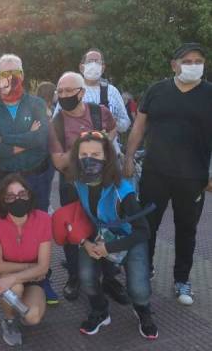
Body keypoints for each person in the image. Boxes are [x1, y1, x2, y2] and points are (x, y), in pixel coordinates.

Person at [123, 43, 212, 306]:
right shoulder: (157, 90)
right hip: (155, 173)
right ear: (174, 64)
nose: (193, 65)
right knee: (147, 226)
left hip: (193, 176)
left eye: (198, 61)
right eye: (187, 61)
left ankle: (182, 279)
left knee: (187, 230)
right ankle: (145, 268)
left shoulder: (209, 93)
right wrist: (128, 156)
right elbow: (139, 126)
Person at [66, 130, 158, 339]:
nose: (89, 159)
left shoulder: (122, 190)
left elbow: (143, 230)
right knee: (87, 277)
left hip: (130, 238)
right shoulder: (78, 183)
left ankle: (143, 310)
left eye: (96, 155)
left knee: (139, 289)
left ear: (107, 157)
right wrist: (85, 242)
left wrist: (109, 248)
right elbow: (79, 217)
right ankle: (100, 311)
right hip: (97, 238)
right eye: (83, 155)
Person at [50, 72, 129, 304]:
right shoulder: (56, 123)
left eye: (69, 91)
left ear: (81, 92)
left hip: (104, 184)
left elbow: (113, 130)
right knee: (74, 230)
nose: (63, 96)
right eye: (60, 91)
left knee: (107, 227)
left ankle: (110, 278)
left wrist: (103, 140)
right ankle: (75, 276)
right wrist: (86, 146)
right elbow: (58, 161)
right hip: (73, 185)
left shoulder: (99, 112)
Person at [0, 54, 58, 303]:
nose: (10, 78)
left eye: (15, 72)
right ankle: (17, 277)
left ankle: (42, 280)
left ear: (23, 75)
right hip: (7, 179)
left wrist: (8, 140)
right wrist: (21, 139)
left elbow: (40, 140)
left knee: (38, 229)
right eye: (4, 74)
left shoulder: (37, 103)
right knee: (10, 229)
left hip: (37, 176)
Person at [0, 174, 52, 346]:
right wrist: (30, 268)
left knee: (32, 317)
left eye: (22, 194)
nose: (17, 199)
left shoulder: (43, 219)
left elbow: (44, 267)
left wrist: (16, 276)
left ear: (29, 195)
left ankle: (18, 303)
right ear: (3, 200)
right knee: (15, 288)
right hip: (10, 272)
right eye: (10, 196)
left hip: (26, 276)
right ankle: (9, 320)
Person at [55, 48, 130, 153]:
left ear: (103, 68)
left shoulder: (112, 91)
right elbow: (56, 122)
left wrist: (114, 123)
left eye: (97, 62)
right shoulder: (70, 90)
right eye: (90, 61)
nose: (94, 65)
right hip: (77, 154)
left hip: (109, 154)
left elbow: (126, 122)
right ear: (81, 67)